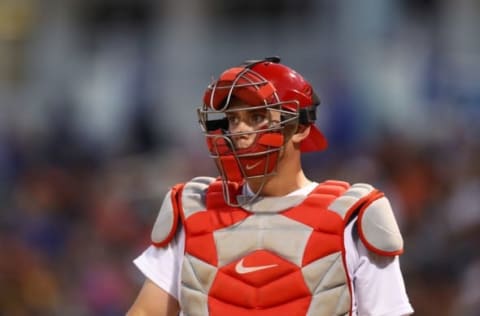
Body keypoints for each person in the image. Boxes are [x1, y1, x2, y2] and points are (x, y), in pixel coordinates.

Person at [127, 57, 414, 316]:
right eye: (232, 120)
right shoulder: (194, 211)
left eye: (256, 118)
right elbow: (145, 311)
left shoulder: (353, 218)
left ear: (301, 128)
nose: (239, 130)